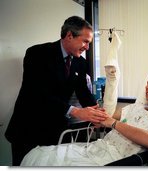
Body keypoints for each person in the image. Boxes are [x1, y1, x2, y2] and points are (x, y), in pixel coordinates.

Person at [5, 16, 109, 166]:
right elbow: (37, 93)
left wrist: (97, 114)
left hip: (56, 130)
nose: (87, 47)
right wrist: (75, 111)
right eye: (85, 41)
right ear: (69, 35)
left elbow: (83, 92)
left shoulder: (80, 62)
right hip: (29, 128)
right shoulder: (37, 54)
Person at [20, 71, 148, 166]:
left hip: (120, 160)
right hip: (99, 148)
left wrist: (113, 123)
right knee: (39, 155)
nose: (147, 87)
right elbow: (108, 117)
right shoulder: (135, 107)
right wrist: (97, 116)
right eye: (147, 83)